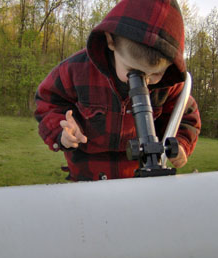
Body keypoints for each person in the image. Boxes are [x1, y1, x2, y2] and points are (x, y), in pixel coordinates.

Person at [35, 0, 201, 181]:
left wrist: (181, 144)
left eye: (156, 74)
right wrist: (62, 132)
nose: (146, 81)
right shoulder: (76, 71)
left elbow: (186, 118)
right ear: (110, 41)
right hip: (87, 178)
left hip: (139, 181)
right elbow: (47, 102)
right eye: (134, 73)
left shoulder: (170, 85)